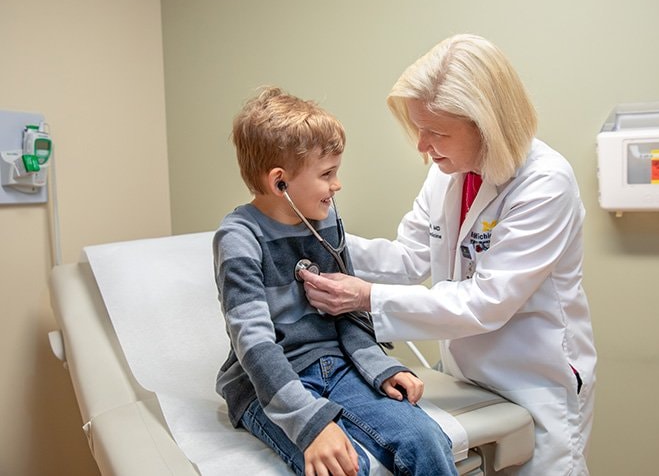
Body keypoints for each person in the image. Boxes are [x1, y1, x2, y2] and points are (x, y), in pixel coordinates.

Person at [299, 34, 597, 475]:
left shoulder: (545, 183)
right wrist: (318, 242)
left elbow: (487, 301)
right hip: (464, 375)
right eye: (419, 127)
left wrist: (366, 298)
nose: (422, 145)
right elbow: (408, 257)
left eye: (436, 132)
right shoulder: (449, 172)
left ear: (487, 125)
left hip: (535, 381)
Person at [212, 86, 457, 476]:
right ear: (280, 182)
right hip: (269, 383)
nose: (337, 185)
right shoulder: (239, 238)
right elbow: (254, 346)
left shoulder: (325, 223)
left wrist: (379, 365)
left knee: (425, 441)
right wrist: (310, 425)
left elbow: (347, 313)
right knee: (345, 467)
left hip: (338, 367)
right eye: (327, 174)